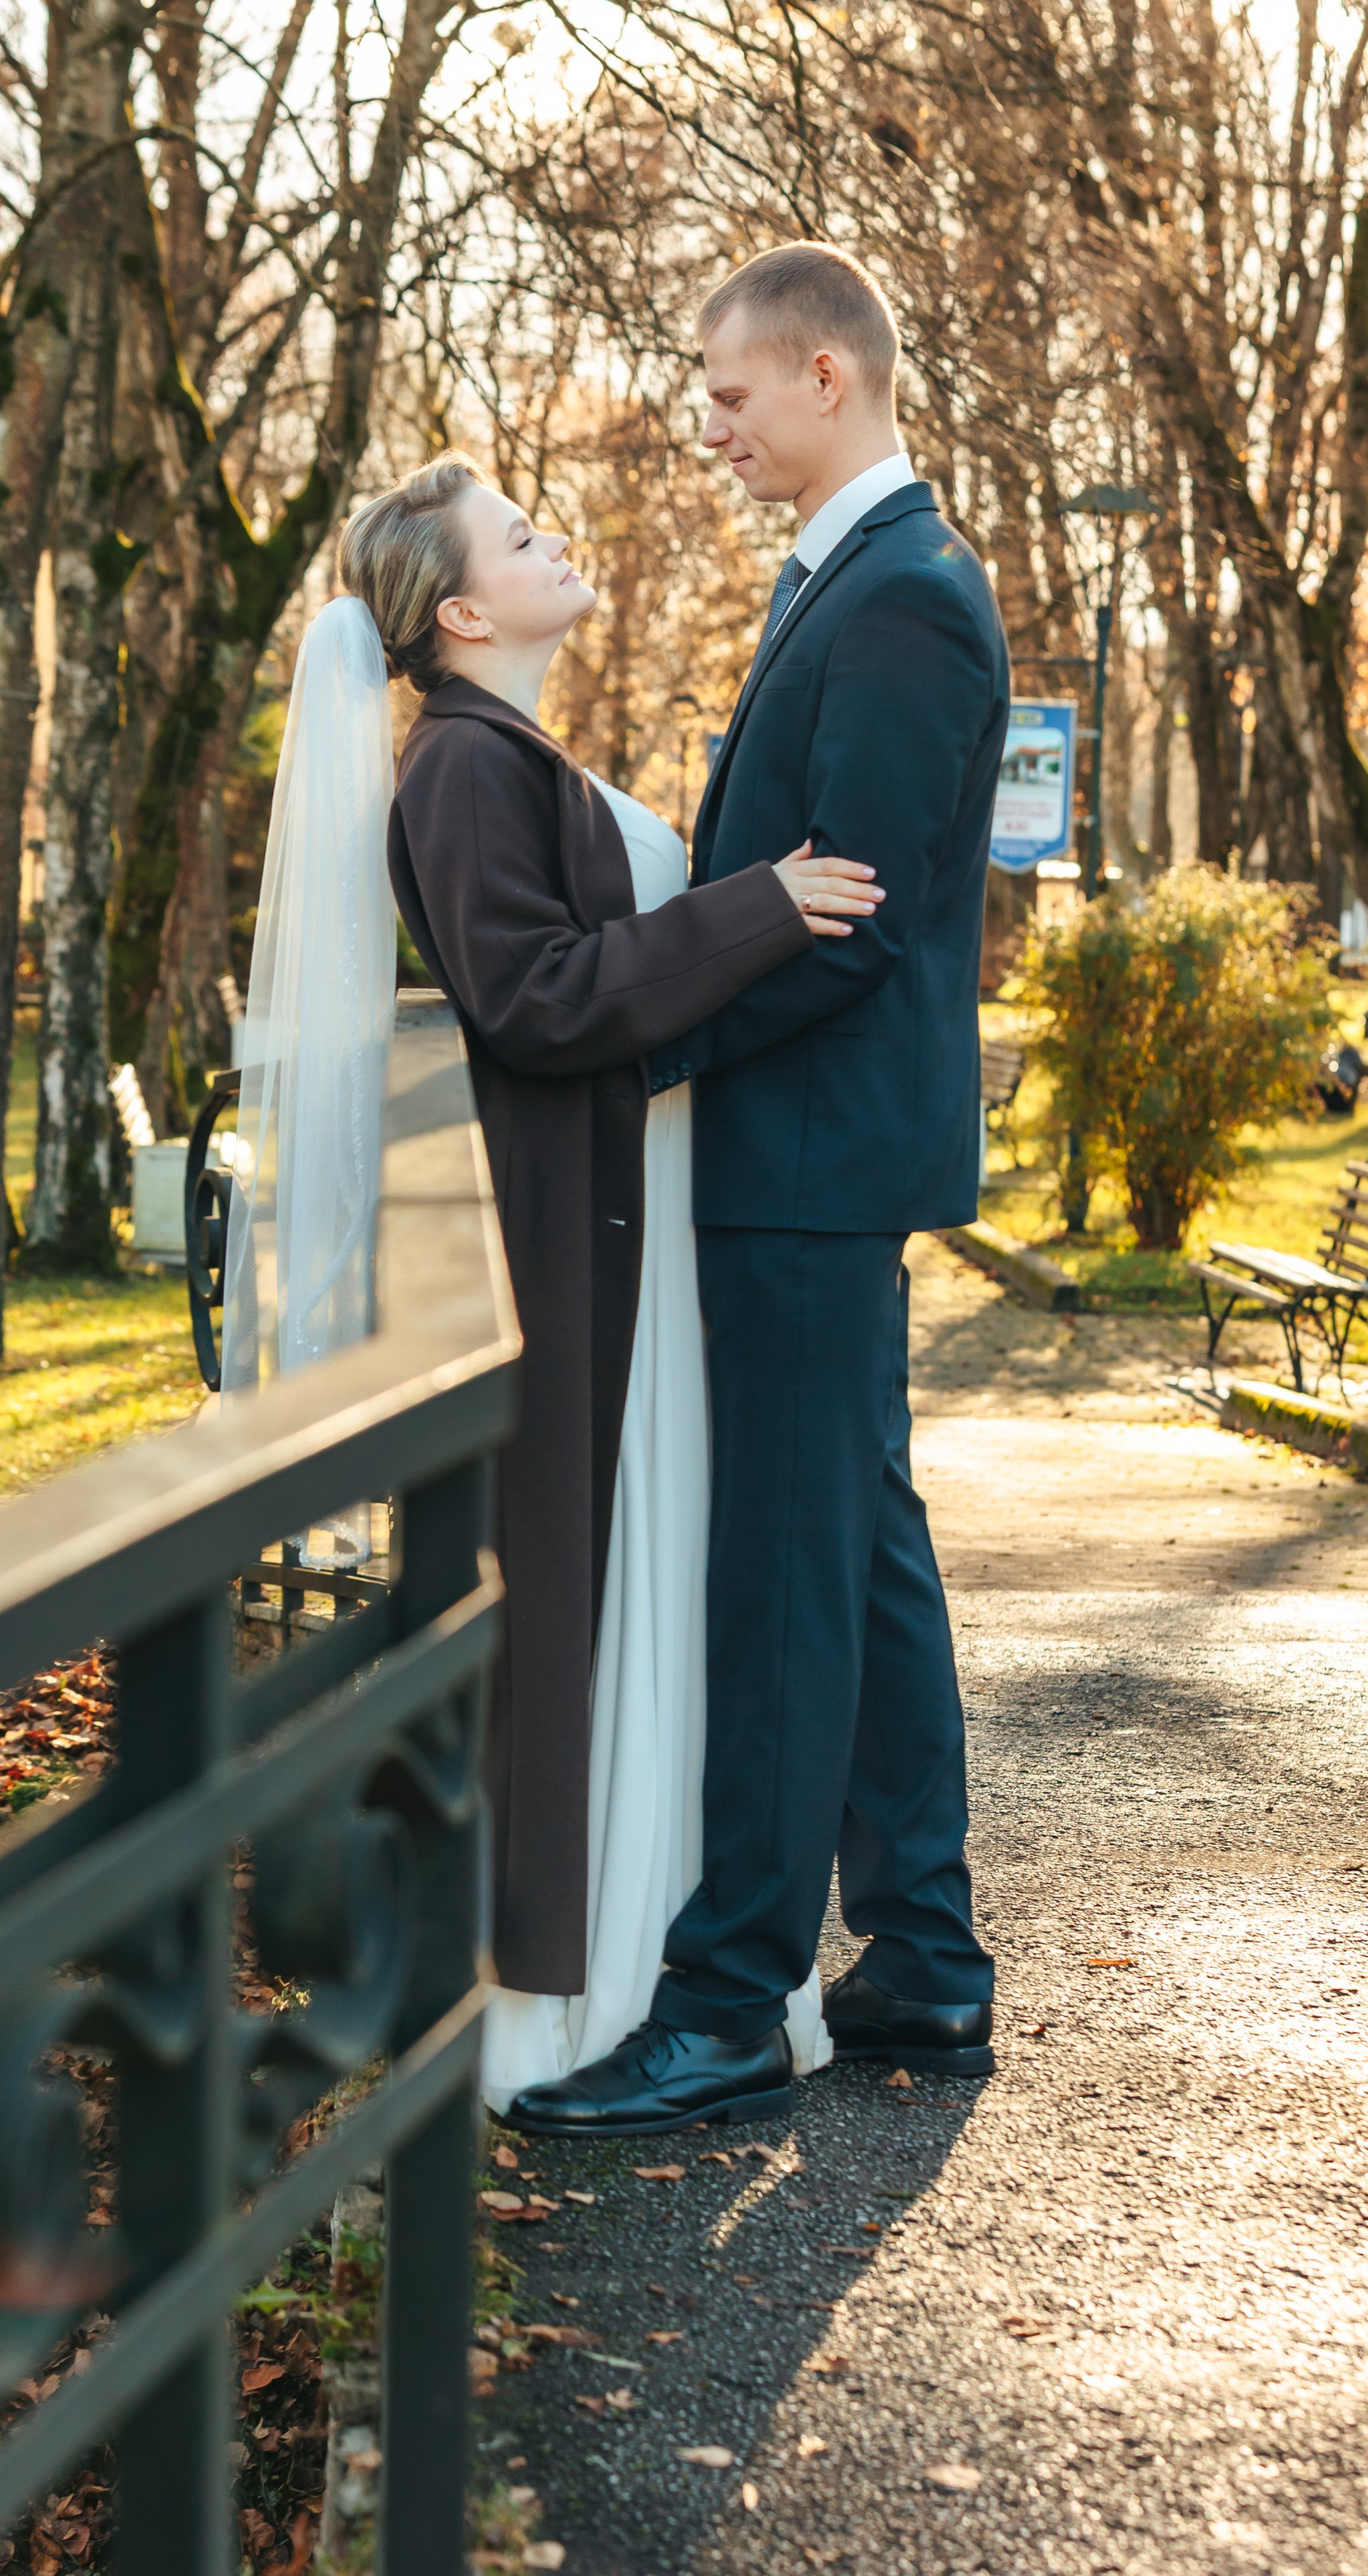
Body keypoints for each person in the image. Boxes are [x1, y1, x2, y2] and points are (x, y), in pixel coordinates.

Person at [504, 242, 1010, 2140]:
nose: (706, 430)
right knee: (860, 1546)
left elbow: (845, 933)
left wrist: (631, 1051)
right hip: (805, 1157)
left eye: (725, 396)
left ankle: (727, 2005)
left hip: (805, 1163)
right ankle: (930, 1956)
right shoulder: (856, 583)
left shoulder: (902, 607)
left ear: (823, 373)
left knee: (787, 1580)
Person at [337, 455, 884, 2109]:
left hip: (622, 1227)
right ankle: (556, 1999)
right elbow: (538, 999)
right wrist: (758, 908)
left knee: (641, 1585)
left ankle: (652, 1959)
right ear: (457, 612)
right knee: (583, 1596)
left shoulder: (506, 753)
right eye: (519, 535)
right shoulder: (457, 769)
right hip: (568, 1243)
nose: (551, 537)